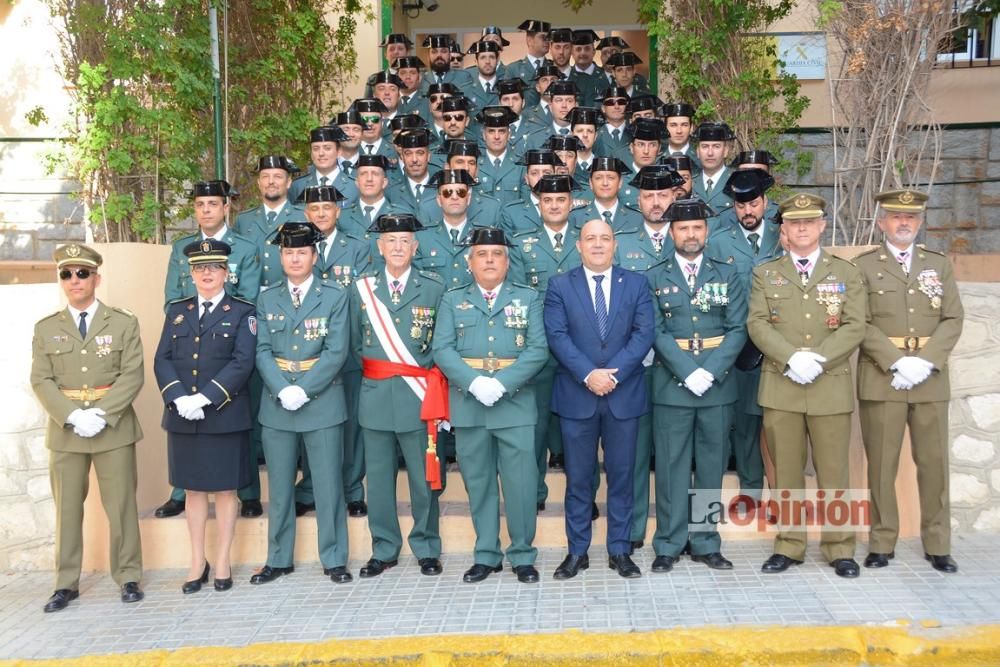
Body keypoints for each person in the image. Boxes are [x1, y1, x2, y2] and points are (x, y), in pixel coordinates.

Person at [747, 193, 866, 579]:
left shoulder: (845, 273)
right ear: (783, 231)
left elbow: (855, 325)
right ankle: (790, 544)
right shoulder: (766, 274)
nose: (801, 228)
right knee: (787, 471)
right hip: (782, 384)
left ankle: (839, 547)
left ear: (821, 226)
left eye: (809, 222)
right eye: (794, 223)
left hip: (828, 383)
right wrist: (790, 357)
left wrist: (818, 359)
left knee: (834, 471)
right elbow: (758, 324)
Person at [854, 189, 964, 573]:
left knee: (933, 464)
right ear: (881, 222)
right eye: (896, 217)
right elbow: (860, 322)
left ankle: (938, 543)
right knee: (882, 464)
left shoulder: (938, 265)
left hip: (930, 378)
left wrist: (926, 362)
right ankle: (882, 541)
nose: (904, 223)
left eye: (911, 217)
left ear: (919, 223)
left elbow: (953, 319)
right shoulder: (865, 267)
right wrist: (897, 362)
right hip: (884, 377)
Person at [31, 244, 145, 612]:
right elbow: (41, 380)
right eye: (67, 274)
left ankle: (128, 576)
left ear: (97, 277)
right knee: (67, 510)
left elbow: (132, 374)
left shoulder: (123, 322)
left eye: (82, 273)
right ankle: (66, 583)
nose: (74, 280)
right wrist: (71, 415)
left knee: (122, 505)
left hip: (112, 428)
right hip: (67, 431)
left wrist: (101, 413)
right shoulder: (47, 328)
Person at [432, 227, 549, 584]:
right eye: (482, 255)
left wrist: (501, 383)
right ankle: (486, 553)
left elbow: (537, 350)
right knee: (478, 483)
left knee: (521, 484)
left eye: (496, 254)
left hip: (514, 404)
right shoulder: (453, 300)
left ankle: (522, 554)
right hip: (470, 404)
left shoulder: (527, 298)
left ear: (507, 261)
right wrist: (475, 382)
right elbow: (443, 349)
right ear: (469, 263)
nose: (489, 261)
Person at [544, 219, 655, 580]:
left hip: (624, 394)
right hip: (578, 395)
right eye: (589, 238)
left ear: (614, 245)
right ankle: (577, 551)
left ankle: (620, 550)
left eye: (604, 238)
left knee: (622, 478)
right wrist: (589, 374)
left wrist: (612, 374)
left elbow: (643, 334)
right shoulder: (560, 285)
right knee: (578, 479)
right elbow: (557, 336)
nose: (597, 245)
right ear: (578, 246)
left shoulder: (636, 283)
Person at [646, 198, 748, 573]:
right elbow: (654, 330)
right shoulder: (654, 277)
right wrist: (687, 371)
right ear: (671, 233)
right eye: (683, 228)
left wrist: (712, 370)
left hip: (717, 385)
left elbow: (738, 328)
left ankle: (705, 541)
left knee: (710, 465)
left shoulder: (727, 274)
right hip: (673, 384)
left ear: (706, 232)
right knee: (671, 466)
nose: (691, 234)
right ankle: (670, 542)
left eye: (697, 228)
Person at [250, 221, 352, 585]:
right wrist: (282, 389)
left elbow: (336, 351)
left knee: (327, 486)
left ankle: (335, 557)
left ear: (314, 255)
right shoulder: (266, 297)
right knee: (279, 489)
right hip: (277, 403)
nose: (295, 258)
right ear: (280, 256)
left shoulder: (335, 295)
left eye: (302, 252)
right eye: (289, 252)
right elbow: (261, 351)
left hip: (321, 401)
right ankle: (278, 558)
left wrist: (304, 389)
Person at [153, 240, 256, 593]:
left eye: (213, 268)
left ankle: (223, 559)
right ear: (191, 273)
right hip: (183, 415)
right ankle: (198, 560)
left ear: (226, 272)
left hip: (224, 414)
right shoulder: (177, 311)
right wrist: (178, 397)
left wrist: (207, 398)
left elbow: (243, 362)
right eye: (199, 268)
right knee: (194, 491)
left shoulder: (243, 312)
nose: (206, 274)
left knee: (226, 491)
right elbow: (162, 359)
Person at [157, 179, 263, 519]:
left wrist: (219, 320)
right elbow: (173, 296)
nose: (206, 210)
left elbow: (247, 297)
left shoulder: (244, 247)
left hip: (230, 339)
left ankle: (247, 491)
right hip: (190, 336)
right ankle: (181, 491)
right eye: (200, 205)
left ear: (226, 207)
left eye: (213, 204)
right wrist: (191, 322)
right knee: (185, 423)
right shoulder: (182, 248)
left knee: (237, 421)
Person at [352, 213, 446, 578]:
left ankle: (426, 546)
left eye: (405, 241)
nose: (397, 247)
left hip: (417, 398)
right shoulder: (360, 290)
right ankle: (384, 548)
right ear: (380, 247)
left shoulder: (433, 288)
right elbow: (351, 346)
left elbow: (440, 344)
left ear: (415, 246)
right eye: (390, 241)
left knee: (424, 481)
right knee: (377, 481)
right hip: (374, 396)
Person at [708, 168, 783, 500]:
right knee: (747, 425)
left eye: (753, 203)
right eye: (740, 206)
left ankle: (783, 497)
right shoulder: (719, 240)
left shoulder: (782, 235)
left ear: (765, 202)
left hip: (782, 344)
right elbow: (713, 293)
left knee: (782, 425)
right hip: (742, 346)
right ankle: (752, 493)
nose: (747, 211)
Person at [509, 174, 583, 509]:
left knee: (580, 428)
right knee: (534, 427)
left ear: (571, 203)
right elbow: (520, 299)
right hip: (537, 348)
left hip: (579, 348)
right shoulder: (523, 243)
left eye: (561, 200)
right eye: (548, 200)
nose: (554, 206)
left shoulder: (585, 240)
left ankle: (583, 495)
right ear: (538, 204)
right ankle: (535, 493)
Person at [569, 157, 640, 232]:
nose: (605, 183)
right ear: (590, 183)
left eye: (611, 178)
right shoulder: (575, 217)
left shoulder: (636, 217)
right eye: (598, 178)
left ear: (620, 182)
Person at [691, 122, 736, 217]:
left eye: (716, 146)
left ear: (725, 151)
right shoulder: (689, 183)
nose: (710, 153)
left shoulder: (736, 181)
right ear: (698, 152)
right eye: (705, 146)